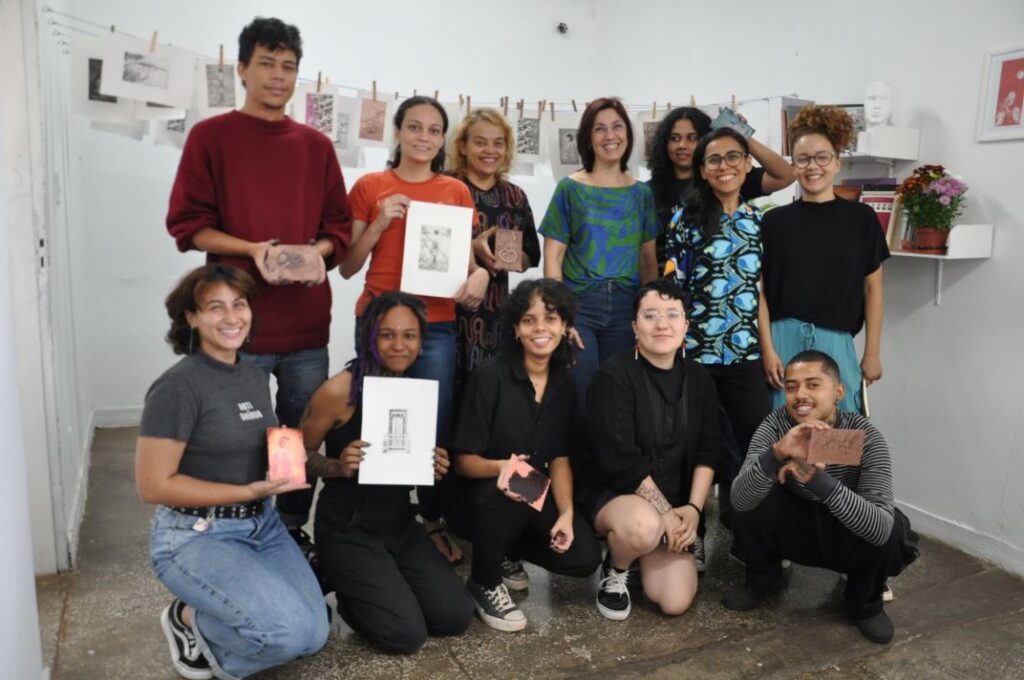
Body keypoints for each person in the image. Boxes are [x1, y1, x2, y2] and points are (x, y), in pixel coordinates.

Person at [165, 17, 352, 550]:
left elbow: (337, 229)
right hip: (233, 325)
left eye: (288, 67)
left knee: (294, 435)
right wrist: (250, 250)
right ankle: (230, 524)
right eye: (266, 64)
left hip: (304, 325)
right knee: (229, 431)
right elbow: (187, 225)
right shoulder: (211, 138)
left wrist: (313, 253)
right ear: (242, 69)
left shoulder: (316, 146)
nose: (277, 76)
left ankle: (289, 529)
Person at [136, 264, 328, 680]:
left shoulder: (252, 376)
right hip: (196, 535)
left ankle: (217, 618)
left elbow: (253, 442)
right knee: (287, 635)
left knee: (315, 635)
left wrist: (303, 462)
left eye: (239, 305)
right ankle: (188, 619)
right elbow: (153, 486)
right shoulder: (177, 387)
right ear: (191, 317)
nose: (232, 317)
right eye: (215, 307)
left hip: (262, 525)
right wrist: (246, 491)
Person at [343, 95, 489, 563]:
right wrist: (379, 222)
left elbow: (465, 263)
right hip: (378, 324)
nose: (424, 137)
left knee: (432, 428)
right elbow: (347, 266)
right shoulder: (370, 186)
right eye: (414, 127)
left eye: (433, 130)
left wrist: (481, 276)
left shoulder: (456, 191)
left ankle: (429, 521)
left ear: (443, 139)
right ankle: (375, 522)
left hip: (437, 326)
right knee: (375, 422)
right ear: (398, 132)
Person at [300, 292, 474, 654]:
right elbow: (291, 455)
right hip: (348, 525)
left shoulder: (415, 391)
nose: (399, 345)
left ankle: (377, 585)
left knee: (455, 617)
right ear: (369, 337)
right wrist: (336, 466)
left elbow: (402, 461)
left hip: (398, 521)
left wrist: (432, 465)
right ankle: (345, 589)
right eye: (387, 335)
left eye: (409, 336)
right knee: (404, 635)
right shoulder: (340, 390)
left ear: (421, 342)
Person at [723, 350, 917, 644]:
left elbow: (879, 530)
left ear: (839, 392)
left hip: (843, 532)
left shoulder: (865, 435)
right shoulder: (775, 426)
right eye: (792, 387)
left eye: (813, 385)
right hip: (793, 527)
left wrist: (817, 481)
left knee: (891, 527)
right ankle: (763, 579)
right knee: (749, 490)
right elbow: (740, 502)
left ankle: (864, 604)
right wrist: (775, 455)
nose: (800, 394)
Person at [449, 279, 601, 632]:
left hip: (527, 489)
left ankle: (504, 551)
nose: (540, 329)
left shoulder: (564, 384)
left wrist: (566, 514)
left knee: (584, 557)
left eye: (550, 319)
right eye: (529, 320)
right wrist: (502, 467)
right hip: (476, 496)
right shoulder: (490, 377)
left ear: (564, 326)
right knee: (512, 486)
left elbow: (560, 457)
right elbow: (462, 462)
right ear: (516, 329)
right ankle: (484, 581)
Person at [580, 280, 725, 621]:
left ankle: (643, 551)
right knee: (643, 526)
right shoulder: (613, 376)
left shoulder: (699, 378)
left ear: (686, 324)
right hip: (618, 496)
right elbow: (621, 462)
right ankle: (617, 567)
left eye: (672, 315)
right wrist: (665, 513)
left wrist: (693, 510)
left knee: (674, 602)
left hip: (673, 502)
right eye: (650, 315)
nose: (662, 324)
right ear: (634, 326)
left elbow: (709, 449)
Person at [663, 127, 771, 566]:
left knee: (753, 446)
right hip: (696, 354)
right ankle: (694, 533)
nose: (724, 166)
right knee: (694, 445)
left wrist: (769, 351)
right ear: (703, 171)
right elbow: (672, 287)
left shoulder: (761, 222)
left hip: (746, 355)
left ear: (747, 165)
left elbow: (764, 292)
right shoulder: (685, 218)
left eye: (733, 157)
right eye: (714, 159)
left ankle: (748, 534)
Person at [759, 106, 889, 414]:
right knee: (785, 431)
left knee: (839, 433)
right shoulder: (774, 222)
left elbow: (873, 289)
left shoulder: (861, 219)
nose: (812, 166)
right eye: (803, 159)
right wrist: (767, 350)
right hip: (783, 341)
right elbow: (759, 293)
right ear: (794, 165)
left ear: (837, 162)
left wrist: (872, 353)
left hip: (836, 342)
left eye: (822, 157)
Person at [539, 97, 659, 408]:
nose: (610, 136)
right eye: (600, 129)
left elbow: (648, 261)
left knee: (619, 399)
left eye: (617, 127)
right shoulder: (569, 188)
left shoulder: (641, 194)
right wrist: (560, 315)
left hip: (627, 307)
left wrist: (650, 314)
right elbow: (552, 258)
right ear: (588, 139)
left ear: (628, 135)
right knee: (581, 396)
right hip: (580, 306)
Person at [447, 108, 541, 395]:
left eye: (498, 143)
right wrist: (472, 249)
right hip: (446, 312)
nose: (490, 150)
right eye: (480, 142)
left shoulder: (514, 196)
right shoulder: (446, 186)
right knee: (446, 396)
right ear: (463, 146)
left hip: (495, 316)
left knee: (488, 396)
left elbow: (530, 256)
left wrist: (507, 255)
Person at [646, 107, 794, 270]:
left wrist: (740, 136)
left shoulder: (726, 180)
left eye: (692, 138)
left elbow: (786, 175)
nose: (682, 145)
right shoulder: (648, 192)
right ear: (664, 143)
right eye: (674, 138)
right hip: (669, 278)